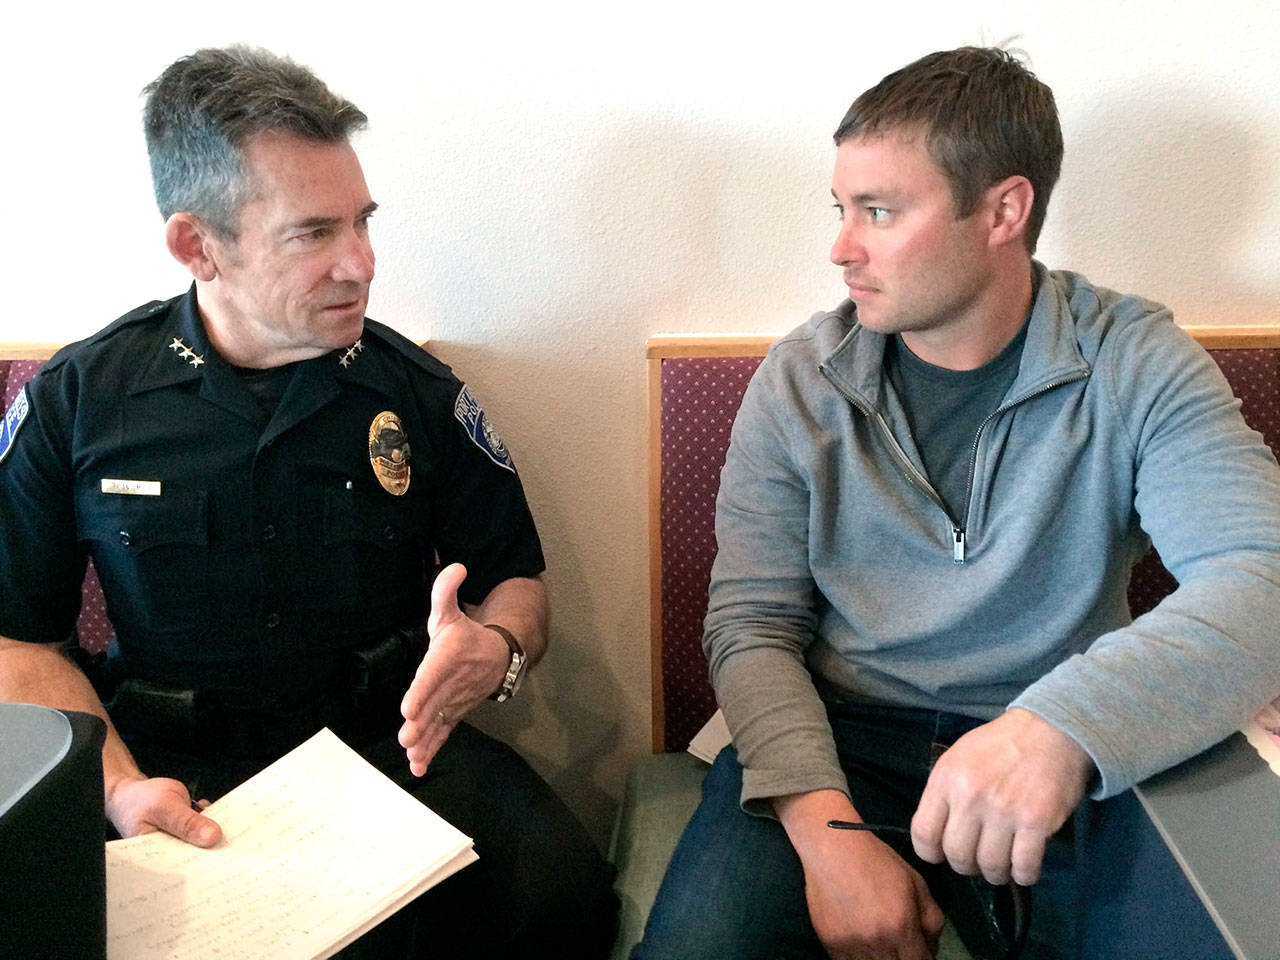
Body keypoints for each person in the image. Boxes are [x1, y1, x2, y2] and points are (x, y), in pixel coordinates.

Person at [635, 47, 1280, 960]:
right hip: (841, 742)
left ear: (1004, 211)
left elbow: (1263, 576)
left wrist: (1062, 729)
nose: (841, 247)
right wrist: (830, 840)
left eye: (881, 212)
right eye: (842, 209)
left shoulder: (1136, 359)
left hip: (1065, 736)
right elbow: (751, 626)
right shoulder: (802, 381)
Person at [0, 46, 617, 958]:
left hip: (387, 749)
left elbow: (515, 580)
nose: (359, 264)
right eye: (313, 234)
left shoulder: (415, 392)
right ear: (196, 245)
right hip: (165, 761)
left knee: (563, 901)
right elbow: (19, 640)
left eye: (363, 223)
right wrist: (121, 788)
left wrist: (496, 650)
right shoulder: (79, 399)